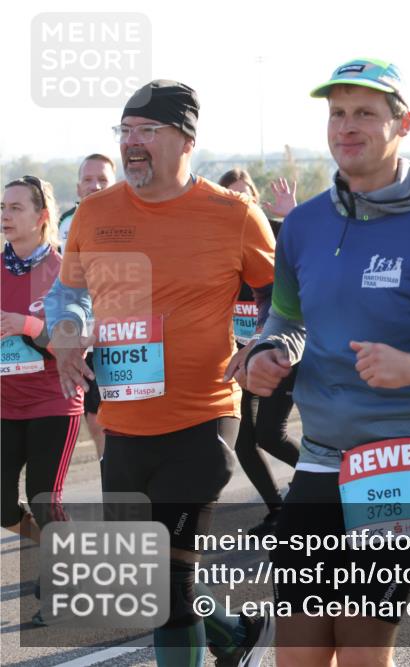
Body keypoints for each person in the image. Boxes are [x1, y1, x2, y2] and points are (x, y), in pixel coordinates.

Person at [245, 58, 410, 666]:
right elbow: (287, 321)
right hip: (320, 457)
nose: (346, 126)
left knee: (361, 652)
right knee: (300, 653)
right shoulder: (304, 225)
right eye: (337, 113)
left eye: (365, 112)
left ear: (402, 124)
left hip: (403, 459)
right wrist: (270, 353)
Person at [45, 80, 276, 667]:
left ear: (186, 140)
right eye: (124, 132)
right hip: (122, 425)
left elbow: (285, 300)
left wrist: (264, 348)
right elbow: (67, 293)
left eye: (148, 131)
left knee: (164, 594)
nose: (132, 144)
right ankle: (232, 631)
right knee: (151, 588)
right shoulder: (95, 215)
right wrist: (68, 330)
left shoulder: (234, 215)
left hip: (201, 419)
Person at [1, 176, 82, 626]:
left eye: (15, 208)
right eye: (2, 208)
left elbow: (75, 343)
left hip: (54, 398)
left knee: (45, 499)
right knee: (1, 504)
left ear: (42, 217)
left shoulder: (63, 272)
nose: (5, 216)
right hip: (5, 402)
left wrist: (26, 326)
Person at [218, 168, 299, 536]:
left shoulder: (275, 234)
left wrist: (291, 215)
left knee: (270, 433)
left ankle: (336, 480)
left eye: (247, 194)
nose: (242, 202)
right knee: (245, 442)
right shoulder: (215, 245)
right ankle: (279, 510)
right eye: (233, 196)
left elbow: (311, 258)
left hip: (281, 349)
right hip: (240, 356)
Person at [56, 153, 118, 462]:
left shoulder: (132, 215)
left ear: (115, 183)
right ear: (78, 187)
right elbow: (63, 283)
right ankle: (115, 492)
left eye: (103, 179)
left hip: (124, 334)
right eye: (88, 180)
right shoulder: (66, 223)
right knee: (97, 424)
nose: (95, 186)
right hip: (85, 336)